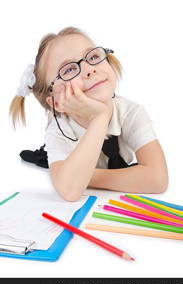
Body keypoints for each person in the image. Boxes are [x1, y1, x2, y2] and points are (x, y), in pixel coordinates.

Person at [9, 26, 168, 202]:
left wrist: (81, 176)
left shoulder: (131, 113)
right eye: (68, 69)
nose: (89, 69)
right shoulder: (59, 129)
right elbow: (70, 191)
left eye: (93, 57)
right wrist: (99, 118)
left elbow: (158, 179)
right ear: (56, 102)